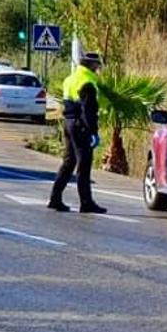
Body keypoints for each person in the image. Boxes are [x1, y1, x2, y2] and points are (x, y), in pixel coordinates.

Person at [48, 52, 107, 214]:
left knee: (68, 162)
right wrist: (93, 132)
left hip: (68, 123)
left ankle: (55, 198)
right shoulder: (87, 82)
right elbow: (88, 111)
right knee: (84, 164)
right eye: (97, 65)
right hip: (81, 126)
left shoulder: (70, 79)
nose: (98, 68)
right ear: (92, 65)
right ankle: (86, 202)